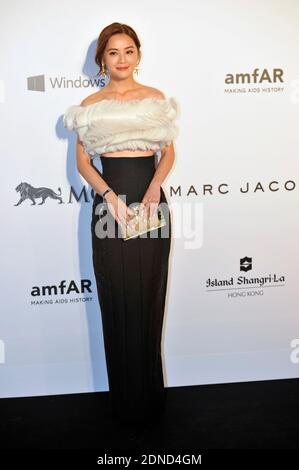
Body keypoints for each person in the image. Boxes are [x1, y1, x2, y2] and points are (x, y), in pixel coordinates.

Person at [63, 22, 180, 430]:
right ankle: (125, 403)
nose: (122, 59)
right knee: (117, 297)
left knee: (149, 293)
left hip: (150, 202)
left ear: (138, 55)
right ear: (102, 60)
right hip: (109, 206)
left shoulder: (155, 99)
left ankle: (150, 398)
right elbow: (82, 164)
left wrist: (152, 189)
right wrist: (110, 197)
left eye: (128, 51)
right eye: (113, 52)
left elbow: (167, 155)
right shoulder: (89, 104)